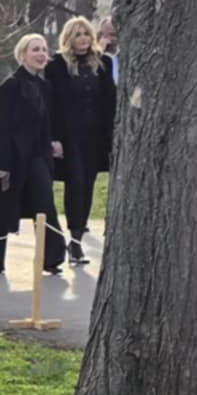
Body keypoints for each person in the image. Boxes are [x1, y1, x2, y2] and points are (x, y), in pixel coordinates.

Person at [0, 33, 65, 276]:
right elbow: (2, 127)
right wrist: (2, 164)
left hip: (36, 156)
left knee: (45, 206)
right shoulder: (10, 86)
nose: (41, 54)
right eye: (35, 49)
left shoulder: (44, 87)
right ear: (22, 55)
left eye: (44, 49)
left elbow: (46, 123)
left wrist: (52, 144)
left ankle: (52, 259)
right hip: (10, 155)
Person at [45, 15, 116, 266]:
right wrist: (53, 138)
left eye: (86, 34)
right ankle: (74, 241)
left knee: (87, 185)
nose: (83, 39)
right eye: (78, 34)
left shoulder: (103, 63)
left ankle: (77, 236)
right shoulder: (56, 65)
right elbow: (50, 105)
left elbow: (110, 102)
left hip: (95, 138)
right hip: (69, 137)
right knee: (75, 184)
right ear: (69, 38)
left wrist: (112, 138)